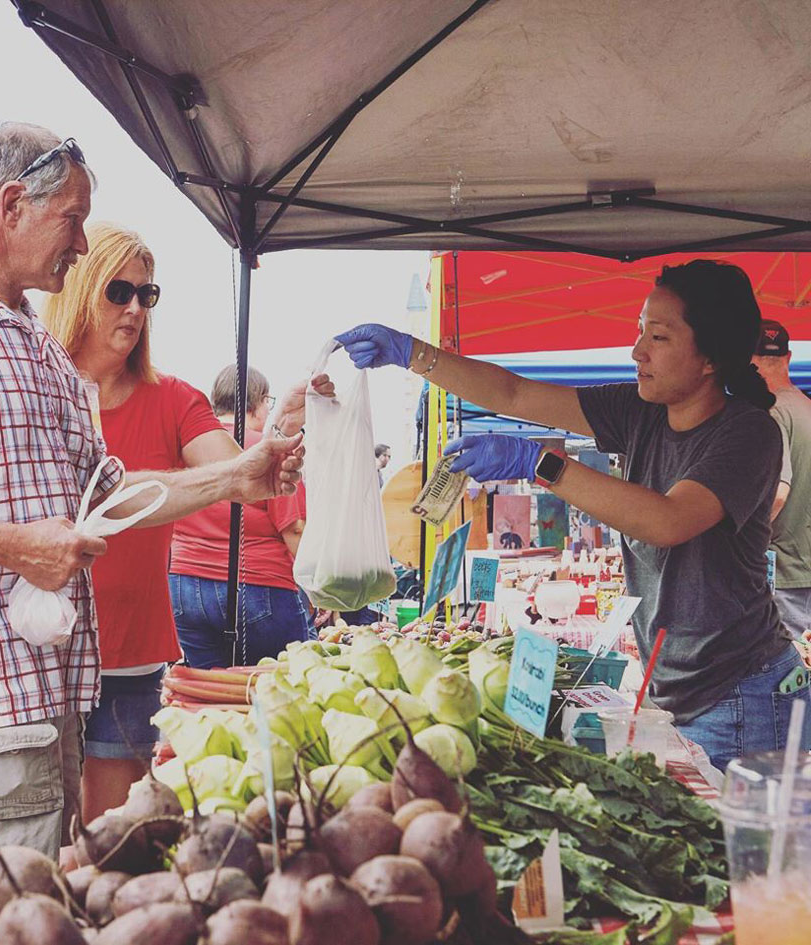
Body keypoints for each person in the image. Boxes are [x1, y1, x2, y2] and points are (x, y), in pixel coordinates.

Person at [0, 123, 304, 945]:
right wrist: (12, 545)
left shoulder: (32, 343)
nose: (81, 241)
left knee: (22, 918)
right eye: (72, 219)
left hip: (43, 705)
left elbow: (110, 493)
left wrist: (235, 477)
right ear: (9, 205)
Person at [337, 259, 811, 772]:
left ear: (710, 357)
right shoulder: (639, 411)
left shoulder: (748, 433)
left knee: (739, 847)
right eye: (639, 332)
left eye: (659, 337)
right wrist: (413, 354)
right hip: (680, 689)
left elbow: (668, 521)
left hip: (742, 694)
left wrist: (539, 464)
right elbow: (512, 393)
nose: (637, 352)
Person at [43, 225, 330, 819]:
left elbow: (238, 474)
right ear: (78, 288)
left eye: (146, 296)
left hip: (132, 650)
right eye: (118, 290)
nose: (133, 308)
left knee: (110, 835)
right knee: (41, 835)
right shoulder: (36, 389)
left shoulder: (174, 398)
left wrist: (281, 434)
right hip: (39, 646)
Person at [168, 364, 318, 669]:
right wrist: (317, 590)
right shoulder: (266, 450)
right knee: (284, 689)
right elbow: (295, 530)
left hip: (183, 586)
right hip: (259, 588)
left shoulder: (184, 448)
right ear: (259, 401)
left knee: (210, 699)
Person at [752, 319, 811, 640]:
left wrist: (740, 544)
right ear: (787, 358)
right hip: (802, 567)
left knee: (784, 681)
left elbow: (777, 493)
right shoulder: (805, 407)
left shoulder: (771, 412)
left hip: (785, 572)